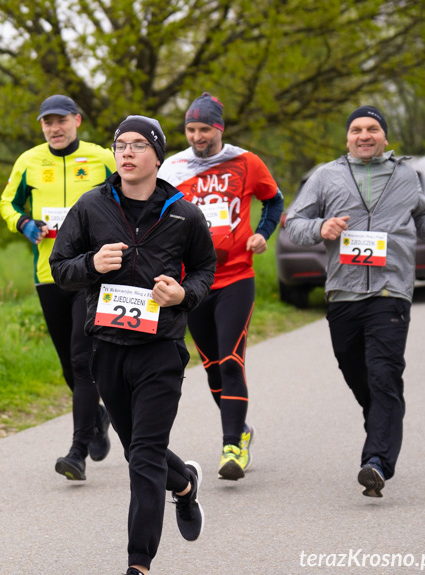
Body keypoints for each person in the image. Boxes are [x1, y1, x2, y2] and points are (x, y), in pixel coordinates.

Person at [49, 115, 216, 575]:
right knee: (136, 448)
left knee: (143, 456)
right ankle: (183, 484)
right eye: (120, 144)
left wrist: (184, 294)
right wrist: (91, 263)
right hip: (106, 348)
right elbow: (60, 267)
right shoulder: (90, 207)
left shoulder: (185, 213)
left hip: (161, 349)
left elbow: (205, 269)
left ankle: (137, 565)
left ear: (157, 156)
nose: (126, 152)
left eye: (138, 145)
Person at [285, 105, 425, 498]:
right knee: (357, 372)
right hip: (344, 291)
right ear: (348, 138)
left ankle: (376, 462)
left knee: (384, 374)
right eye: (357, 129)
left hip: (391, 290)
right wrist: (321, 227)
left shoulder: (406, 175)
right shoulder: (326, 176)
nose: (364, 135)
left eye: (373, 128)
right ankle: (381, 421)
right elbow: (294, 223)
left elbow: (423, 215)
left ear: (385, 137)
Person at [158, 93, 284, 481]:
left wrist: (263, 233)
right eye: (191, 129)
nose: (197, 136)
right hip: (193, 283)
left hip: (237, 278)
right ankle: (242, 429)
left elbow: (274, 201)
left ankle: (231, 445)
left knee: (231, 359)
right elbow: (155, 215)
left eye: (204, 129)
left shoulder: (246, 162)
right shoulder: (173, 167)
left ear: (219, 129)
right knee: (212, 366)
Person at [0, 95, 116, 481]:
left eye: (61, 120)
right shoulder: (29, 162)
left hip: (92, 274)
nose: (55, 128)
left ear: (77, 121)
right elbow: (7, 204)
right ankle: (97, 417)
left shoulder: (102, 158)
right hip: (49, 273)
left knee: (83, 360)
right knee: (70, 365)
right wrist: (25, 225)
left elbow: (129, 193)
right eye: (48, 122)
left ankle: (77, 451)